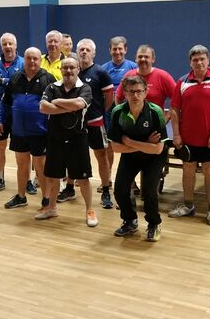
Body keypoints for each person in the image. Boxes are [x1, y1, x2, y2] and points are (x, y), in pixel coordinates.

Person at [168, 44, 210, 226]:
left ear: (208, 60)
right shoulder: (182, 82)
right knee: (188, 170)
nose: (199, 62)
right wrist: (176, 134)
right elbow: (174, 109)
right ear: (190, 62)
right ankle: (188, 205)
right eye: (195, 60)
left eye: (202, 59)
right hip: (187, 138)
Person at [38, 57, 97, 226]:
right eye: (65, 68)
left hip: (78, 139)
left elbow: (79, 104)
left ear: (78, 69)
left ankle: (90, 211)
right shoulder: (52, 87)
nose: (68, 71)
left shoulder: (85, 88)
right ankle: (51, 208)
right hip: (55, 139)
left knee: (83, 179)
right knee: (52, 177)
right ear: (61, 70)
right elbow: (43, 107)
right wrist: (68, 107)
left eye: (72, 67)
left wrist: (56, 102)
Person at [108, 76, 168, 242]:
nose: (135, 95)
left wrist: (129, 142)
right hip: (131, 156)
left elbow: (158, 149)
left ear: (146, 92)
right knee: (120, 190)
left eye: (139, 91)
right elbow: (116, 147)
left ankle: (154, 223)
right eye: (131, 92)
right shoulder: (118, 112)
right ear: (125, 93)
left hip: (154, 158)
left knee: (149, 191)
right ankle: (129, 221)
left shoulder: (155, 112)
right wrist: (146, 143)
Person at [56, 38, 114, 209]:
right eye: (81, 49)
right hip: (75, 123)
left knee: (101, 156)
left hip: (95, 122)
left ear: (94, 53)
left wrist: (98, 111)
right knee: (72, 155)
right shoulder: (73, 71)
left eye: (88, 50)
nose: (84, 52)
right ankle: (69, 188)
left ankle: (105, 191)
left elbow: (109, 97)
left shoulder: (100, 72)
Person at [0, 48, 56, 211]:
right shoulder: (15, 78)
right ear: (25, 60)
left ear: (40, 60)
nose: (32, 61)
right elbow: (5, 102)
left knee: (41, 166)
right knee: (22, 164)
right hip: (19, 132)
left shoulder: (48, 79)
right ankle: (21, 197)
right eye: (29, 58)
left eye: (35, 58)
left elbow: (55, 106)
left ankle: (46, 199)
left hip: (40, 132)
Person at [0, 32, 24, 194]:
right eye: (5, 44)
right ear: (1, 46)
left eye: (10, 43)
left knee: (22, 151)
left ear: (15, 45)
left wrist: (1, 81)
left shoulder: (23, 63)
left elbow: (22, 85)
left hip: (18, 113)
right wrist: (11, 84)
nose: (8, 47)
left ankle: (27, 181)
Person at [101, 36, 137, 175]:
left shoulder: (133, 67)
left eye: (120, 49)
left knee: (129, 144)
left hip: (129, 112)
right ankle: (107, 177)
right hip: (109, 112)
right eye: (114, 49)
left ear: (125, 49)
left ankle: (131, 181)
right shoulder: (103, 69)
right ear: (110, 50)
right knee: (109, 145)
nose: (117, 52)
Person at [115, 44, 176, 113]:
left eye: (146, 57)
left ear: (153, 59)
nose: (143, 59)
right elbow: (118, 97)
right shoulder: (129, 76)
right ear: (136, 58)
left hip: (155, 119)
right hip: (133, 119)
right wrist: (122, 114)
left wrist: (167, 117)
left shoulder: (164, 77)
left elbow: (177, 99)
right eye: (140, 57)